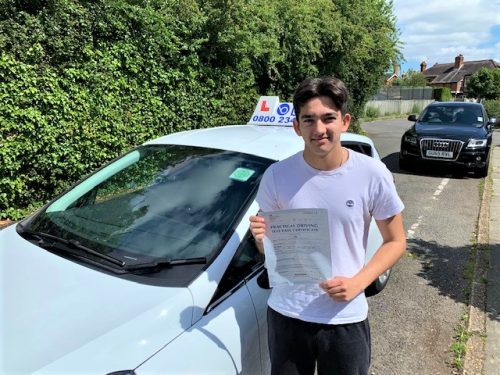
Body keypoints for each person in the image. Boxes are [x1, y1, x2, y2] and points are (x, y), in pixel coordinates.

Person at [249, 76, 406, 375]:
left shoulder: (372, 174)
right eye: (308, 120)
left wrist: (358, 283)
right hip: (287, 312)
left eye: (328, 118)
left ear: (344, 121)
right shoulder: (276, 176)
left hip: (345, 318)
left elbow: (396, 241)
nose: (318, 129)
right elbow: (270, 250)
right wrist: (261, 239)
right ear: (296, 126)